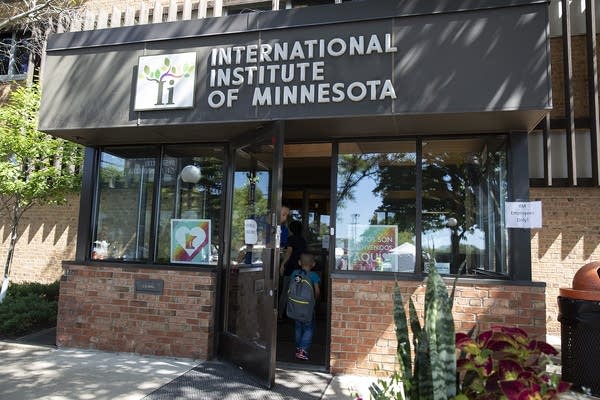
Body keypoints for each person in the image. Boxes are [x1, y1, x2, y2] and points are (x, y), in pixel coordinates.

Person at [291, 252, 320, 361]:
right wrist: (315, 302)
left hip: (295, 307)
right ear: (313, 264)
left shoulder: (294, 274)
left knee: (298, 328)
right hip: (308, 308)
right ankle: (302, 350)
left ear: (299, 262)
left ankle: (298, 347)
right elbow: (317, 292)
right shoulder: (314, 276)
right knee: (308, 328)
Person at [278, 219, 307, 319]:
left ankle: (280, 314)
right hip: (299, 271)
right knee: (296, 291)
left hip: (290, 269)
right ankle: (295, 314)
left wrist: (282, 264)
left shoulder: (291, 239)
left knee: (285, 291)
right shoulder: (303, 240)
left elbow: (289, 252)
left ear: (291, 229)